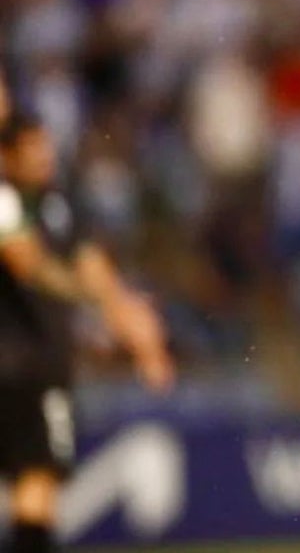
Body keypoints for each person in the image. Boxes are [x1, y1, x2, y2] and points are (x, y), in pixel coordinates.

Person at [0, 112, 174, 553]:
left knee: (35, 484)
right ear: (7, 156)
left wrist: (136, 328)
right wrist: (93, 297)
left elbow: (95, 270)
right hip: (25, 366)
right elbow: (28, 264)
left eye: (46, 147)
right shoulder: (6, 200)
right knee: (37, 481)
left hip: (39, 363)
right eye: (31, 150)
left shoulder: (56, 205)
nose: (44, 158)